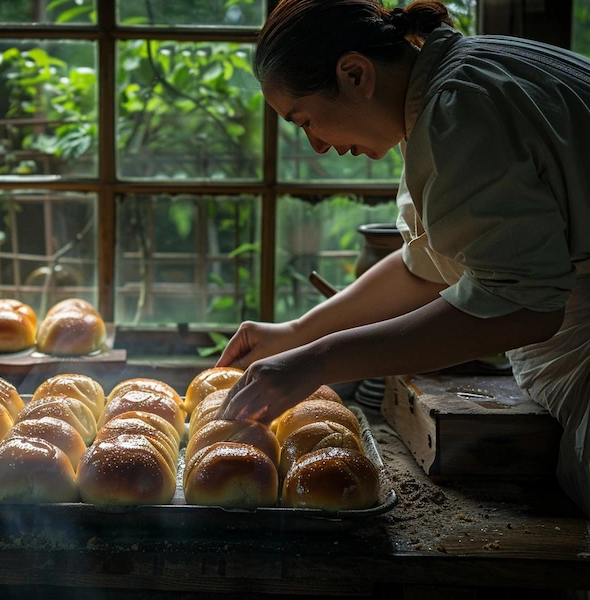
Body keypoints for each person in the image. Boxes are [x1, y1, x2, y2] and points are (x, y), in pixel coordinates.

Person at [215, 0, 590, 517]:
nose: (317, 145)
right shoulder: (452, 86)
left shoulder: (459, 113)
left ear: (354, 74)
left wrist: (318, 360)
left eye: (306, 120)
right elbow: (427, 266)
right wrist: (299, 332)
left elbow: (525, 307)